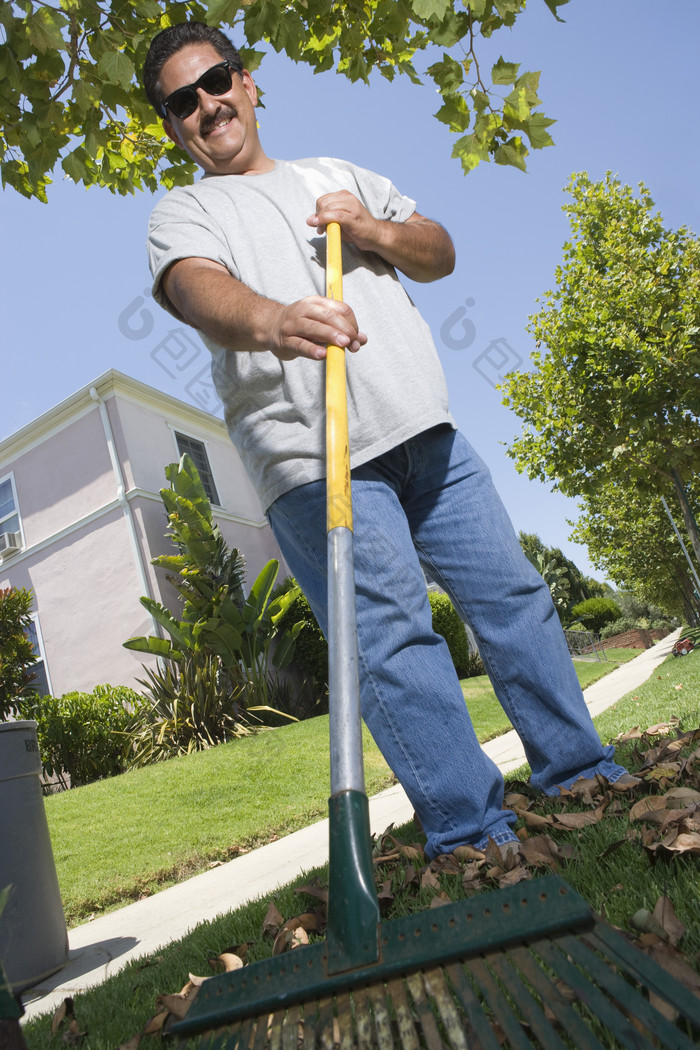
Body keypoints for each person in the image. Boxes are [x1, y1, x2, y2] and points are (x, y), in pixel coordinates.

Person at [143, 21, 635, 861]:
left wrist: (370, 230)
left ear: (249, 82)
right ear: (173, 126)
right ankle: (473, 832)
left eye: (216, 80)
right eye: (182, 102)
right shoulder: (183, 211)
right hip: (313, 456)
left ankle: (580, 771)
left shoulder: (338, 175)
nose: (207, 105)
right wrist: (274, 319)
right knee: (397, 641)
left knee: (514, 598)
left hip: (425, 432)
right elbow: (195, 291)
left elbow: (437, 251)